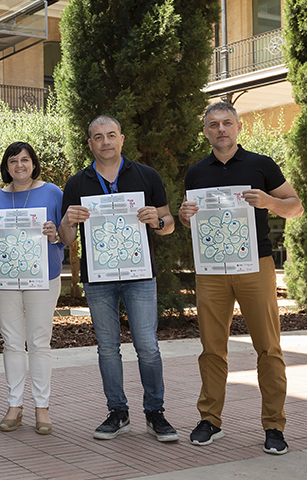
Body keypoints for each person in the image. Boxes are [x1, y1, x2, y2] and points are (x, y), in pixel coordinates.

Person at [178, 102, 303, 454]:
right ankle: (210, 420)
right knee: (212, 348)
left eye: (227, 123)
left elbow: (296, 206)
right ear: (206, 131)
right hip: (212, 270)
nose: (221, 129)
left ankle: (274, 425)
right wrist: (185, 215)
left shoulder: (261, 165)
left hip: (255, 265)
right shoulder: (195, 173)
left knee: (268, 348)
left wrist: (267, 201)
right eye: (214, 124)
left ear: (238, 128)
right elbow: (190, 218)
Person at [59, 115, 179, 443]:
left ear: (122, 139)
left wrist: (158, 219)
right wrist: (68, 221)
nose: (105, 142)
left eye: (111, 135)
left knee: (148, 346)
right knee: (108, 348)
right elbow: (65, 237)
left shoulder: (146, 176)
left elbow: (169, 223)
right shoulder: (77, 183)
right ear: (90, 144)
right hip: (98, 279)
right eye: (98, 137)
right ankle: (118, 412)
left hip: (141, 275)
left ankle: (156, 413)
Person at [0, 142, 64, 434]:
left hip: (44, 278)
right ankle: (14, 405)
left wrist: (55, 235)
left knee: (39, 342)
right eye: (14, 160)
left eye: (25, 160)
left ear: (34, 163)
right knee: (12, 343)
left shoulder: (53, 193)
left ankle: (42, 408)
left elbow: (66, 235)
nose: (20, 165)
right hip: (7, 280)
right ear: (6, 166)